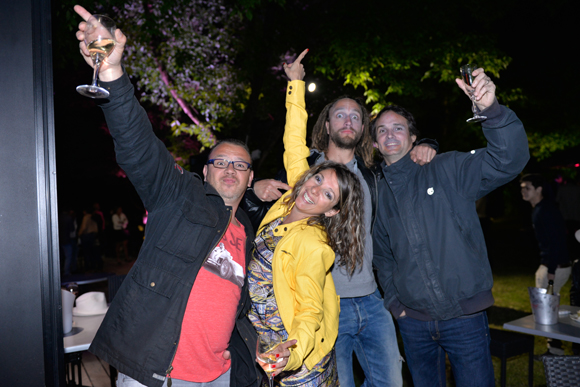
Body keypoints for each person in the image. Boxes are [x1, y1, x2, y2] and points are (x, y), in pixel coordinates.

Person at [74, 6, 293, 387]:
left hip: (218, 376)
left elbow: (237, 309)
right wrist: (111, 73)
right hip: (157, 371)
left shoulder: (247, 232)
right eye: (220, 162)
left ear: (250, 176)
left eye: (239, 166)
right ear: (205, 171)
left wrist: (256, 345)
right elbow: (139, 147)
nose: (229, 170)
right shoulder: (178, 194)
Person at [242, 66, 437, 387]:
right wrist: (295, 85)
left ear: (364, 129)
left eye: (355, 116)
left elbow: (406, 159)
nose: (347, 121)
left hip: (373, 301)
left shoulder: (374, 176)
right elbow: (292, 140)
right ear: (327, 124)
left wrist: (426, 143)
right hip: (326, 305)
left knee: (391, 382)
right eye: (339, 114)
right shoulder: (305, 178)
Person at [372, 68, 529, 387]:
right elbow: (383, 256)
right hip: (413, 323)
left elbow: (508, 160)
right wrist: (395, 304)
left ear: (413, 137)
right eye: (382, 130)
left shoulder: (446, 169)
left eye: (398, 128)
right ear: (375, 143)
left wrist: (491, 111)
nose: (390, 134)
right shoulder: (379, 194)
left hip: (464, 318)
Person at [248, 50, 364, 387]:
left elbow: (311, 310)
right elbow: (294, 141)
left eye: (328, 194)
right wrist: (296, 84)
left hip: (298, 364)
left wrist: (293, 354)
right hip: (264, 346)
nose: (315, 191)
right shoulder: (290, 200)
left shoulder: (314, 244)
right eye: (317, 180)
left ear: (332, 210)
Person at [520, 173, 572, 356]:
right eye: (522, 188)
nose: (523, 191)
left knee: (545, 309)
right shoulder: (541, 209)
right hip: (553, 265)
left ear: (539, 189)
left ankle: (556, 349)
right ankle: (555, 347)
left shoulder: (545, 211)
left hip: (554, 267)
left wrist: (551, 270)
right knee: (548, 308)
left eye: (527, 188)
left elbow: (556, 241)